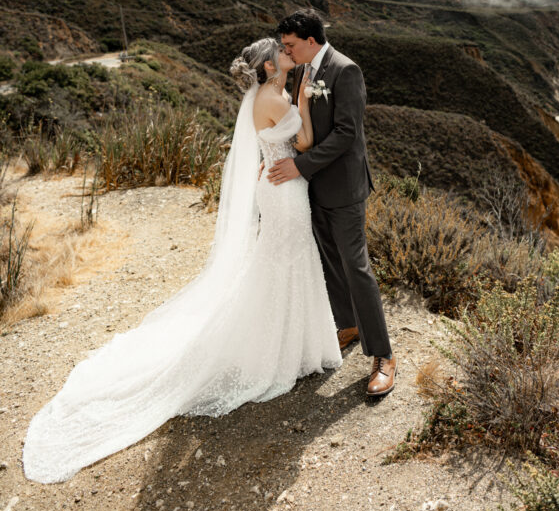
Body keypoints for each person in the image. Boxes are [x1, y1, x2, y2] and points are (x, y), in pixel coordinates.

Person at [23, 38, 341, 484]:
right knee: (282, 261)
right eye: (284, 52)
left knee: (284, 260)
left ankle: (295, 345)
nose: (291, 55)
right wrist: (306, 101)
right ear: (270, 65)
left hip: (280, 187)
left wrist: (298, 98)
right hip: (284, 191)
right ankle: (280, 352)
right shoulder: (274, 97)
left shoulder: (271, 94)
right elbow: (304, 141)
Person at [268, 9, 396, 397]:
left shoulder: (346, 70)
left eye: (290, 44)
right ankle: (348, 326)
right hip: (312, 189)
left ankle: (384, 356)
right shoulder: (305, 72)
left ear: (310, 40)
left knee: (357, 268)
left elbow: (346, 134)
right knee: (330, 263)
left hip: (342, 188)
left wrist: (299, 166)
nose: (285, 51)